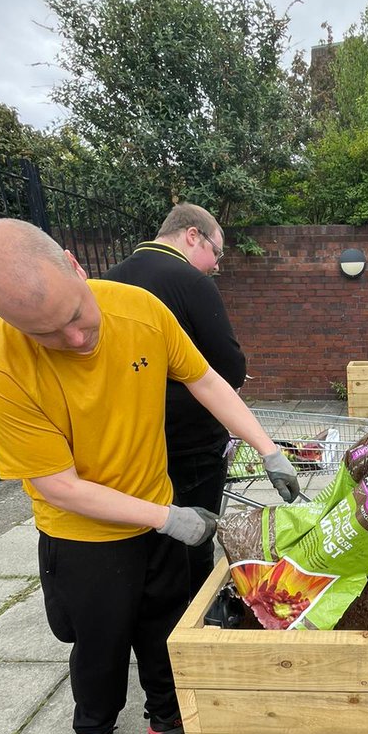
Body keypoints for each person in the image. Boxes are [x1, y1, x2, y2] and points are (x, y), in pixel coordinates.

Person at [0, 218, 300, 734]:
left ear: (73, 264)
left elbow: (207, 381)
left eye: (75, 315)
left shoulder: (140, 310)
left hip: (157, 501)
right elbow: (59, 486)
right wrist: (164, 518)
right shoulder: (1, 369)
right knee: (100, 638)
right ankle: (93, 731)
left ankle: (166, 713)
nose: (75, 339)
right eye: (47, 333)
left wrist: (267, 449)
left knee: (165, 618)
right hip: (84, 534)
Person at [105, 203, 246, 597]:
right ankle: (195, 613)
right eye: (217, 252)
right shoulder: (192, 282)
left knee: (148, 524)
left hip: (133, 437)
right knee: (196, 529)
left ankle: (151, 603)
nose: (216, 265)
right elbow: (229, 368)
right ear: (192, 235)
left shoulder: (111, 279)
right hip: (192, 440)